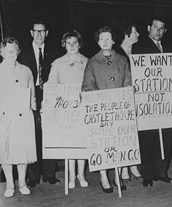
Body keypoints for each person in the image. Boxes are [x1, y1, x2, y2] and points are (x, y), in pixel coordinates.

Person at [81, 26, 131, 193]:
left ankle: (117, 175)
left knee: (118, 143)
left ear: (114, 41)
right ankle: (104, 176)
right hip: (101, 112)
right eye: (101, 39)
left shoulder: (123, 60)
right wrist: (101, 102)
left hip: (119, 111)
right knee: (103, 145)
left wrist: (123, 99)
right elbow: (87, 86)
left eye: (108, 38)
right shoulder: (92, 62)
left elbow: (128, 83)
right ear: (98, 41)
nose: (105, 42)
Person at [132, 16, 172, 187]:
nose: (158, 31)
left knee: (166, 137)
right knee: (148, 138)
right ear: (149, 28)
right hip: (148, 100)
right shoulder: (139, 47)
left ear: (165, 31)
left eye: (161, 28)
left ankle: (162, 171)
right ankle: (147, 174)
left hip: (165, 100)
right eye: (155, 27)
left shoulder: (170, 48)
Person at [18, 19, 60, 187]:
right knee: (32, 134)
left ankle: (50, 174)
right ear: (31, 33)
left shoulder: (55, 52)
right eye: (36, 31)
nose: (39, 34)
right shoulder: (23, 53)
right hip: (29, 95)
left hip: (50, 96)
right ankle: (33, 176)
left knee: (49, 134)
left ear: (47, 33)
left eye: (42, 31)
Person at [46, 30, 89, 188]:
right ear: (64, 44)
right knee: (70, 143)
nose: (72, 46)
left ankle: (81, 174)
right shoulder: (57, 63)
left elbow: (91, 84)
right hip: (65, 111)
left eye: (75, 42)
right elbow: (51, 86)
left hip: (82, 109)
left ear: (79, 44)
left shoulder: (86, 61)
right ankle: (71, 176)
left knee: (82, 142)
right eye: (68, 43)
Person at [0, 37, 36, 197]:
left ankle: (22, 183)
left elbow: (32, 93)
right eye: (8, 51)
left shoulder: (26, 70)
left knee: (22, 152)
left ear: (18, 51)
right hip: (4, 118)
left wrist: (34, 107)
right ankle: (9, 185)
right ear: (1, 53)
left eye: (14, 50)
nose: (11, 53)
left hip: (23, 117)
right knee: (6, 153)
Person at [115, 21, 142, 182]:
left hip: (137, 99)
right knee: (124, 133)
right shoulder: (117, 54)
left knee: (135, 133)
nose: (138, 34)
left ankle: (133, 164)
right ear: (127, 35)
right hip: (123, 99)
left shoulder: (138, 52)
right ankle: (124, 167)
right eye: (135, 32)